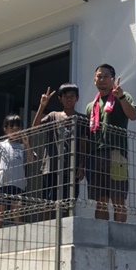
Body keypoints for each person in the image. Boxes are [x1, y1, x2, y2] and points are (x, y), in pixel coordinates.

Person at [86, 64, 136, 222]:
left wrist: (120, 97)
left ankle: (118, 234)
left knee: (118, 199)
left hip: (117, 153)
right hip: (96, 154)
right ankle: (102, 233)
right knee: (101, 201)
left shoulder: (122, 96)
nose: (102, 79)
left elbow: (134, 115)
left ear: (113, 79)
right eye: (99, 76)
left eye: (106, 76)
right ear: (94, 80)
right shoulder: (91, 106)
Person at [33, 84, 85, 216]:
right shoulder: (53, 116)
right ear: (60, 99)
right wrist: (42, 106)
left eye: (72, 96)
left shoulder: (82, 119)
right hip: (51, 167)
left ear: (77, 98)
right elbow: (35, 128)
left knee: (68, 204)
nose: (69, 99)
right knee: (49, 203)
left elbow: (83, 143)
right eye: (65, 96)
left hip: (71, 169)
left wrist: (81, 166)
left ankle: (66, 228)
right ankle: (48, 228)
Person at [0, 115, 34, 230]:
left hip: (19, 183)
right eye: (11, 129)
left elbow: (32, 159)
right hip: (3, 182)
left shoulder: (22, 147)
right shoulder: (0, 145)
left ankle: (19, 235)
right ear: (5, 130)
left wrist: (27, 144)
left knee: (17, 213)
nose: (15, 132)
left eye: (17, 129)